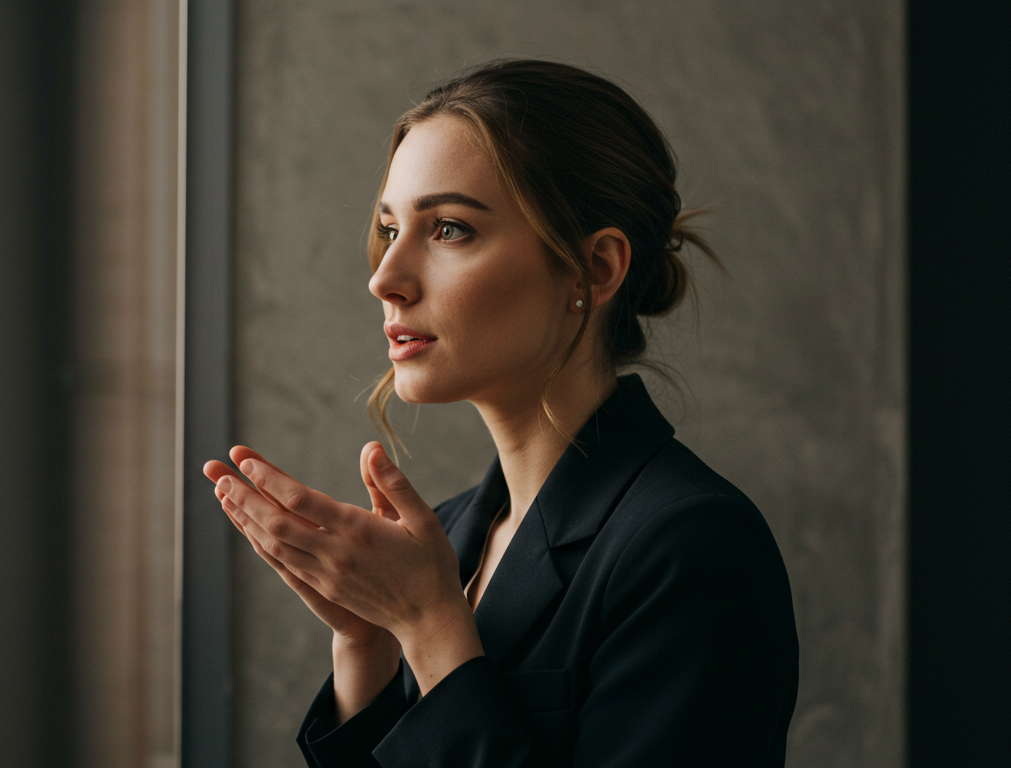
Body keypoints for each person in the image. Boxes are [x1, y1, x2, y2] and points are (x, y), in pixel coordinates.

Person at [203, 59, 798, 768]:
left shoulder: (692, 545)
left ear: (596, 268)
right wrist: (369, 646)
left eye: (449, 229)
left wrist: (430, 627)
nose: (385, 278)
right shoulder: (448, 535)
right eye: (390, 229)